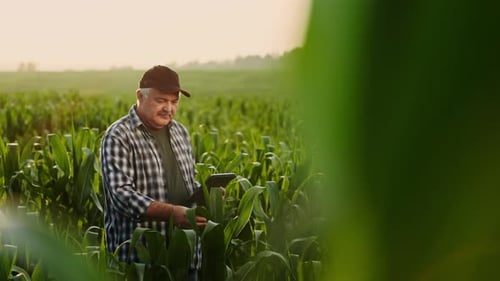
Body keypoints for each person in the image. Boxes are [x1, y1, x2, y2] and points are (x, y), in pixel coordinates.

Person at [100, 65, 207, 280]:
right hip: (141, 262)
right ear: (140, 96)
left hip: (185, 257)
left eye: (174, 101)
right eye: (161, 100)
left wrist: (207, 195)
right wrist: (173, 213)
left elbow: (187, 184)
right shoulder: (119, 135)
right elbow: (121, 195)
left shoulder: (180, 132)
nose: (169, 108)